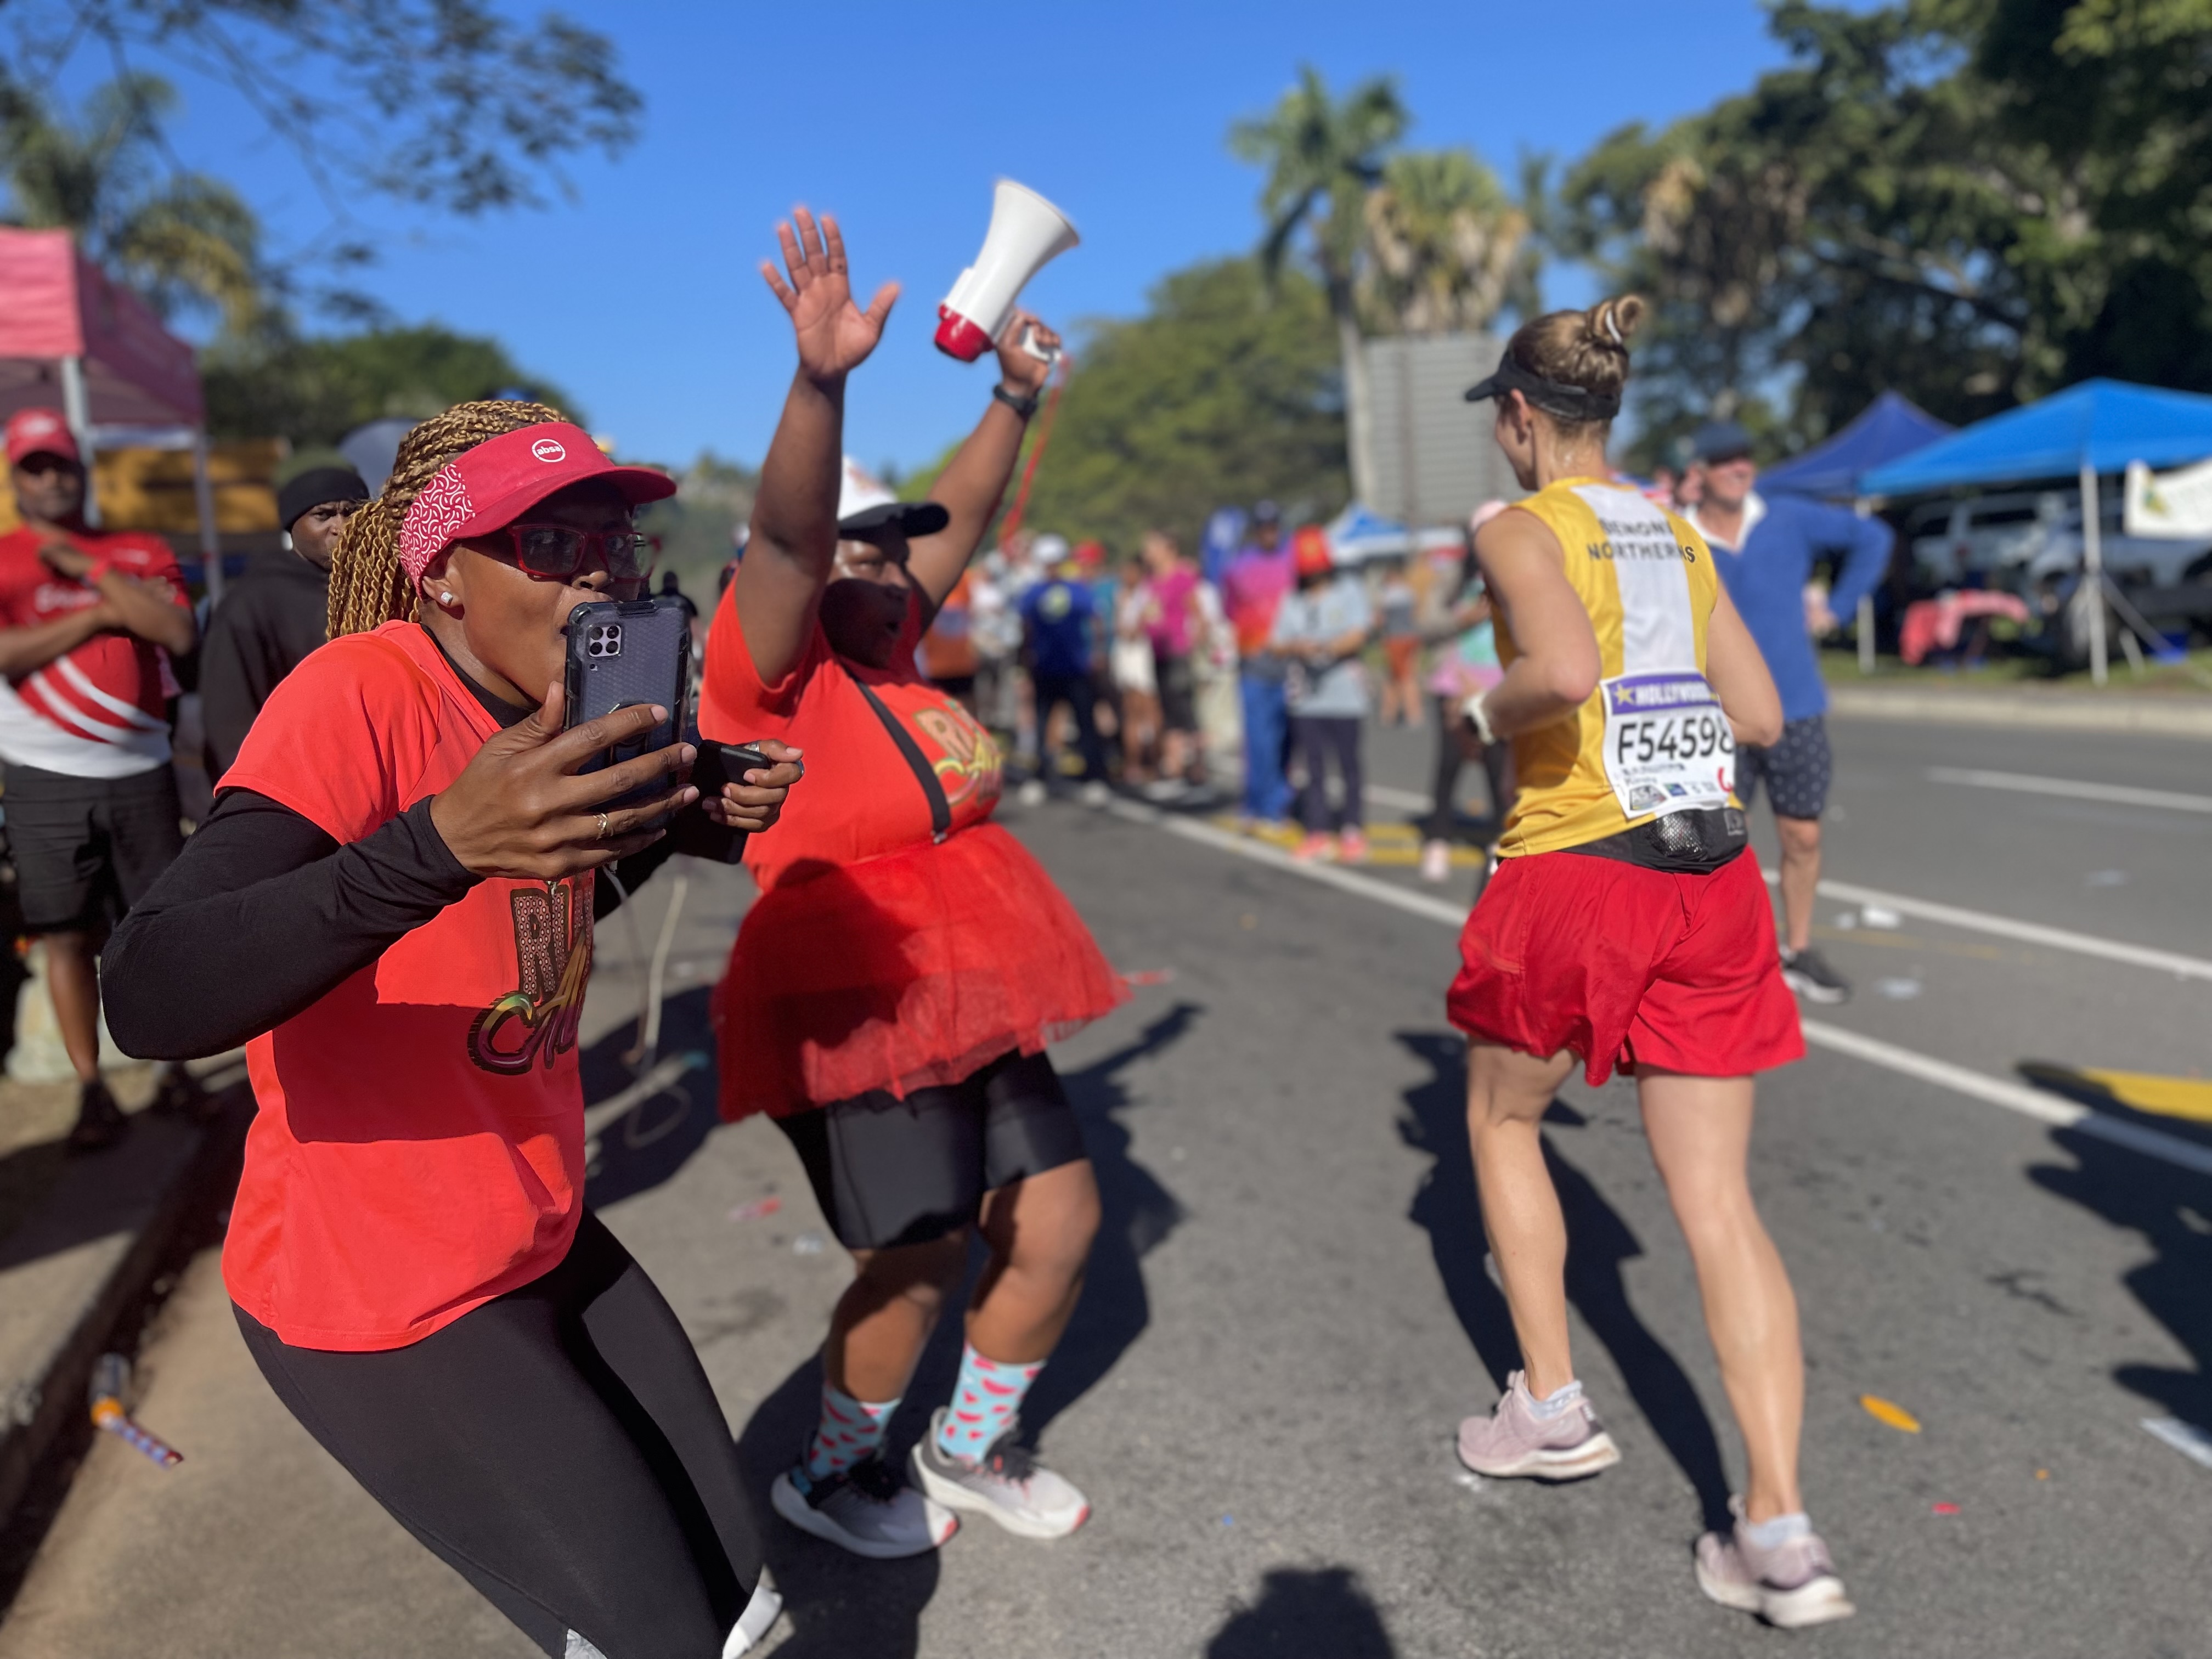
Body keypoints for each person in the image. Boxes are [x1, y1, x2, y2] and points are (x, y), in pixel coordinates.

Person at [101, 398, 805, 1659]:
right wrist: (435, 846)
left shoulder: (564, 718)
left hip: (532, 1222)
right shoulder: (357, 693)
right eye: (548, 544)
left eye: (615, 537)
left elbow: (525, 930)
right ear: (437, 579)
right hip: (381, 1284)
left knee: (738, 1595)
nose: (600, 567)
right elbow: (151, 986)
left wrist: (685, 812)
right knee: (667, 1638)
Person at [702, 212, 1125, 1560]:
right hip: (860, 985)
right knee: (925, 1252)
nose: (889, 566)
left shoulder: (891, 645)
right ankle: (828, 1478)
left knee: (1059, 1225)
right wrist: (821, 383)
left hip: (976, 978)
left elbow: (965, 514)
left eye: (896, 553)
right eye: (864, 548)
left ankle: (965, 1448)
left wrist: (1012, 393)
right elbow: (784, 538)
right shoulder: (771, 655)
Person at [1448, 297, 1853, 1629]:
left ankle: (1552, 1402)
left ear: (1520, 417)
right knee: (1720, 1205)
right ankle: (1778, 1532)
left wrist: (1477, 714)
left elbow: (1558, 672)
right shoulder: (1678, 532)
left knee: (1504, 1120)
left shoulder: (1513, 528)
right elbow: (1760, 711)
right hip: (1713, 877)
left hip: (1574, 872)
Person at [0, 407, 199, 1150]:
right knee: (63, 938)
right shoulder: (5, 558)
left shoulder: (137, 547)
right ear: (18, 479)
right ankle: (92, 1091)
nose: (50, 479)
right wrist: (95, 618)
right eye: (34, 467)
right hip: (45, 780)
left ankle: (175, 1069)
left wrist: (91, 572)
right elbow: (9, 655)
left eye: (60, 465)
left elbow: (176, 631)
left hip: (139, 773)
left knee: (153, 934)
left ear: (81, 471)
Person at [1683, 420, 1893, 1005]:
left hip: (1794, 706)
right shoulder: (1682, 537)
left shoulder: (1787, 516)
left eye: (1746, 457)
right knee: (1723, 843)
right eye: (1725, 460)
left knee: (1801, 835)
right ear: (1700, 473)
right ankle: (1729, 954)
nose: (1740, 468)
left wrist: (1839, 608)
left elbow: (1873, 538)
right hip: (1717, 716)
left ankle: (1796, 951)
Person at [199, 464, 370, 776]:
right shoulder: (250, 602)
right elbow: (229, 721)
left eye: (352, 512)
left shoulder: (383, 587)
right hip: (300, 779)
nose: (342, 526)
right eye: (324, 515)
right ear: (293, 525)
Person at [1419, 504, 1514, 884]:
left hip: (1500, 688)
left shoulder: (1520, 576)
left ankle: (1501, 840)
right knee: (1449, 765)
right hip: (1454, 684)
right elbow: (1426, 625)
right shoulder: (1453, 579)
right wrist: (1465, 620)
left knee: (1499, 769)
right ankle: (1438, 839)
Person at [1269, 527, 1373, 864]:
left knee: (1348, 764)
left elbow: (1359, 634)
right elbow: (1276, 643)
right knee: (1312, 767)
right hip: (1307, 698)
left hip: (1345, 695)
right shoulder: (1292, 601)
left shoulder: (1349, 591)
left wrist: (1327, 648)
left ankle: (1352, 828)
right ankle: (1317, 831)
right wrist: (1297, 647)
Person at [1220, 500, 1295, 827]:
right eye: (1263, 527)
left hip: (1290, 658)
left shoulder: (1293, 558)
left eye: (1274, 526)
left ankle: (1278, 800)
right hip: (1253, 659)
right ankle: (1256, 801)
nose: (1269, 533)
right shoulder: (1238, 565)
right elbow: (1228, 609)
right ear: (1255, 530)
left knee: (1287, 736)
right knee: (1257, 737)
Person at [1019, 543, 1110, 799]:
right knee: (1042, 725)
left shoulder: (1077, 590)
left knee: (1085, 723)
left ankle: (1095, 777)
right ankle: (1040, 776)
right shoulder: (1033, 592)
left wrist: (1098, 652)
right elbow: (1025, 629)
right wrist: (1026, 662)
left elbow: (1096, 620)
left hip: (1075, 667)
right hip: (1045, 668)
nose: (1051, 567)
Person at [1138, 529, 1203, 796]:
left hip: (1178, 652)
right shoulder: (1152, 581)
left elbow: (1198, 613)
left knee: (1186, 712)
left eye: (1152, 547)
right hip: (1159, 654)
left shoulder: (1182, 576)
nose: (1147, 553)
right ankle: (1175, 771)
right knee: (1168, 712)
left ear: (1168, 548)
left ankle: (1198, 771)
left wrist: (1192, 645)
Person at [1111, 552, 1161, 783]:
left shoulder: (1147, 595)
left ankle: (1151, 761)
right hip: (1127, 657)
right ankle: (1134, 764)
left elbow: (1147, 623)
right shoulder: (1122, 596)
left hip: (1142, 656)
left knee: (1148, 711)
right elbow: (1123, 628)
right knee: (1132, 710)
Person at [1376, 561, 1423, 727]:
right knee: (1397, 676)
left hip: (1395, 639)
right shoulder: (1409, 592)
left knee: (1403, 677)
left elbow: (1380, 620)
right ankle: (1389, 713)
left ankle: (1413, 714)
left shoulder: (1388, 595)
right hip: (1411, 637)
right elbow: (1416, 614)